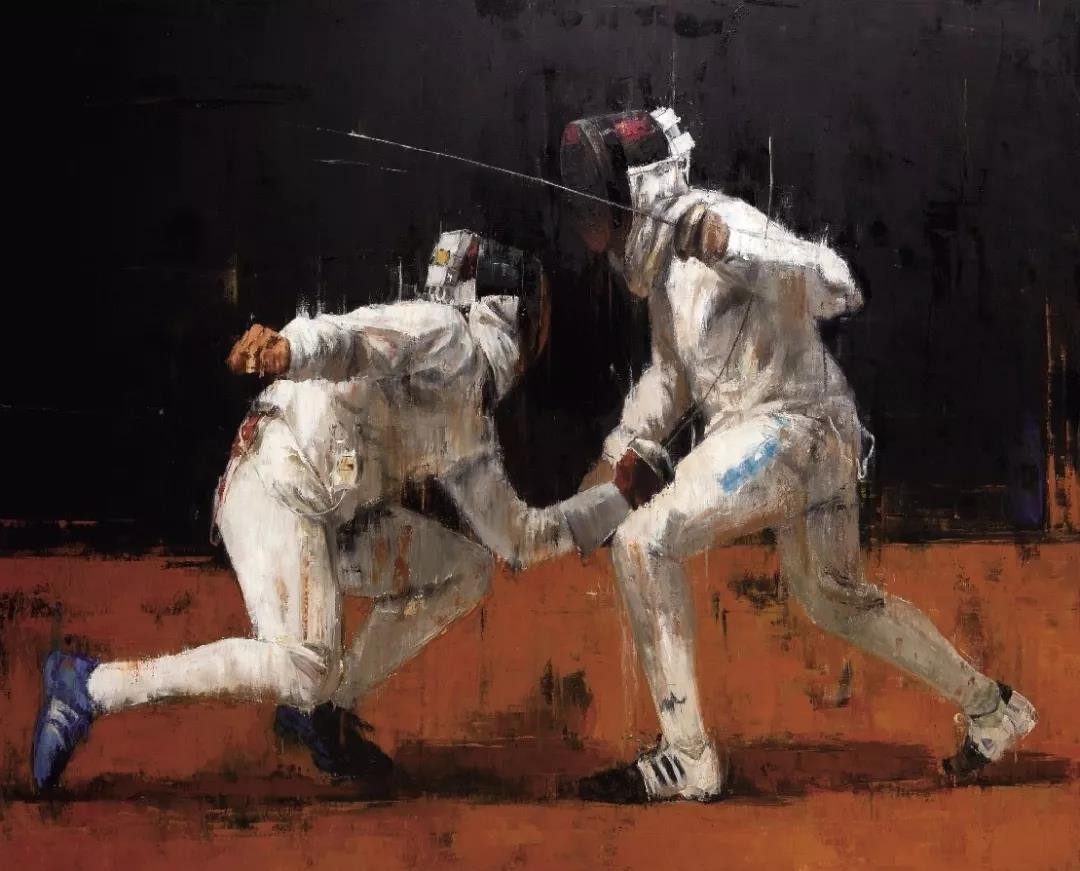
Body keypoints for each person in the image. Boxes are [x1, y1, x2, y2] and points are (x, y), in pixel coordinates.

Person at [30, 231, 664, 793]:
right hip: (275, 488)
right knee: (304, 666)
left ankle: (326, 711)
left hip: (331, 516)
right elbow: (353, 339)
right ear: (515, 315)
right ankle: (89, 686)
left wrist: (620, 496)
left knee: (466, 570)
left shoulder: (468, 426)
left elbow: (518, 539)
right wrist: (289, 348)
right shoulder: (447, 334)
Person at [560, 107, 1037, 803]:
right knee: (835, 598)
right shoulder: (664, 272)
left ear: (636, 189)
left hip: (792, 433)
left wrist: (731, 247)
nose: (591, 221)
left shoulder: (721, 220)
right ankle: (993, 707)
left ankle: (687, 757)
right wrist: (623, 448)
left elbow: (839, 283)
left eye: (597, 198)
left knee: (642, 541)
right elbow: (670, 375)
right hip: (804, 442)